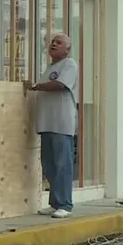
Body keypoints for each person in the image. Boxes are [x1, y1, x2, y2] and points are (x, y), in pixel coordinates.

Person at [24, 33, 79, 219]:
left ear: (67, 49)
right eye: (52, 42)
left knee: (63, 164)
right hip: (46, 123)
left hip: (61, 124)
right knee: (49, 165)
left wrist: (35, 86)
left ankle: (65, 204)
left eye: (59, 42)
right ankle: (55, 203)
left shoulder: (69, 64)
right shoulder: (50, 68)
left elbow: (60, 85)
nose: (54, 44)